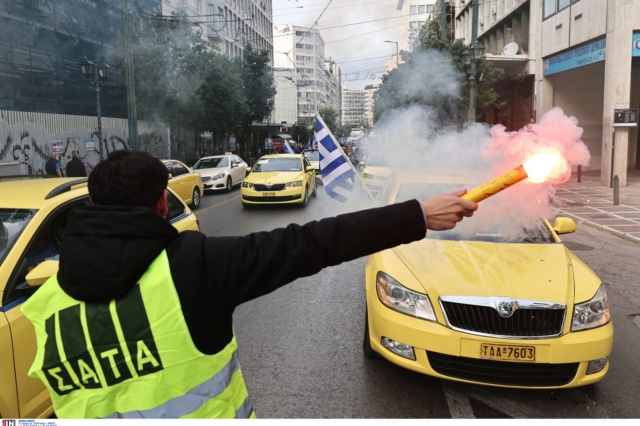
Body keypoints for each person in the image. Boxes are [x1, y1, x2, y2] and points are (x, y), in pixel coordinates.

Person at [21, 150, 477, 419]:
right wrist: (417, 214)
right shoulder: (196, 266)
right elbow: (312, 244)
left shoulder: (44, 303)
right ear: (163, 203)